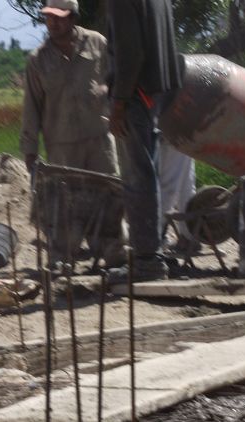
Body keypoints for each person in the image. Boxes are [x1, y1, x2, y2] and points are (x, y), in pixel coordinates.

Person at [21, 0, 124, 268]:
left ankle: (112, 252)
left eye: (59, 17)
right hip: (62, 146)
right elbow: (31, 107)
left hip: (99, 140)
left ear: (73, 17)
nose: (53, 23)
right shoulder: (38, 60)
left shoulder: (97, 43)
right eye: (49, 17)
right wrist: (30, 150)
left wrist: (108, 92)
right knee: (64, 205)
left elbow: (118, 77)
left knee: (109, 197)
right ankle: (63, 257)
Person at [105, 0, 182, 283]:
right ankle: (153, 251)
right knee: (148, 175)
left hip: (135, 96)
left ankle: (147, 260)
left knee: (138, 178)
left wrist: (118, 103)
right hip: (156, 91)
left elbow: (131, 53)